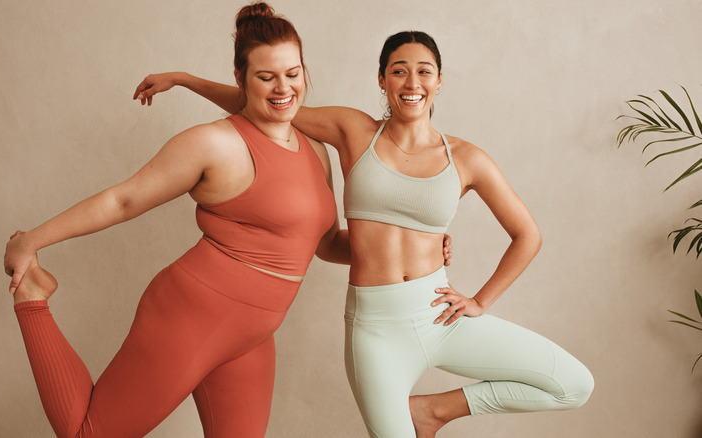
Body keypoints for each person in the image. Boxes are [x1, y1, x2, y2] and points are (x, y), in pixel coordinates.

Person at [134, 29, 594, 438]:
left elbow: (527, 235)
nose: (411, 83)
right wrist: (186, 79)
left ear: (439, 81)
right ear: (381, 80)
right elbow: (266, 105)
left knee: (574, 385)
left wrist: (480, 301)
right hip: (375, 330)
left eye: (423, 72)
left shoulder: (467, 158)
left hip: (439, 316)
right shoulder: (354, 131)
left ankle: (432, 412)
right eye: (398, 71)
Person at [3, 4, 354, 437]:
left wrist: (420, 247)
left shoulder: (315, 150)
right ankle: (33, 300)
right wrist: (30, 242)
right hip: (193, 315)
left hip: (253, 335)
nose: (284, 87)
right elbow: (123, 200)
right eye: (267, 77)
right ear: (241, 78)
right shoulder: (214, 143)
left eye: (293, 73)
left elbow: (327, 243)